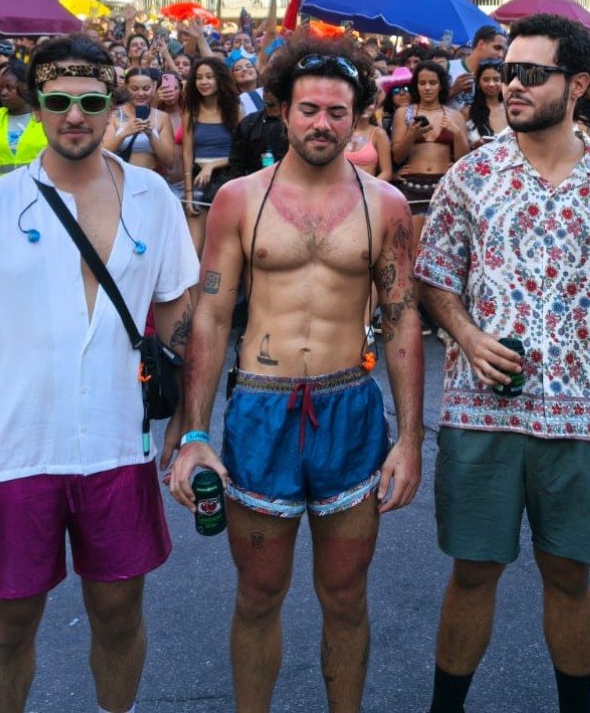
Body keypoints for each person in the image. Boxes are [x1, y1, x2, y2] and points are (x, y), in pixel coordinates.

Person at [0, 35, 199, 713]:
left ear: (112, 106)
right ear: (36, 106)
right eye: (59, 101)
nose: (75, 116)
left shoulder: (151, 197)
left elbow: (179, 314)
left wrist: (190, 423)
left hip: (118, 446)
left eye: (92, 102)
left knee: (119, 615)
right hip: (16, 451)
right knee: (8, 626)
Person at [170, 43, 422, 713]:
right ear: (282, 111)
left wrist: (411, 440)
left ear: (357, 118)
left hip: (349, 409)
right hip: (261, 409)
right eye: (309, 109)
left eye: (338, 112)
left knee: (346, 596)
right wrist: (194, 434)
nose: (322, 123)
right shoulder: (238, 199)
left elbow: (402, 319)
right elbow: (210, 316)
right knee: (257, 595)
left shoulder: (386, 205)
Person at [414, 14, 590, 713]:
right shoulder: (472, 175)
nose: (509, 85)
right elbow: (435, 276)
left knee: (571, 577)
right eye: (505, 72)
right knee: (472, 573)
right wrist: (465, 335)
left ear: (578, 84)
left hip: (587, 418)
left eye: (530, 73)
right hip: (482, 411)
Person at [391, 60, 468, 227]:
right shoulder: (404, 113)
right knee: (412, 239)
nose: (427, 88)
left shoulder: (455, 116)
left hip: (445, 185)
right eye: (422, 83)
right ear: (416, 86)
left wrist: (457, 134)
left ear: (441, 85)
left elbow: (463, 161)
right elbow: (397, 157)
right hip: (412, 186)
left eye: (433, 83)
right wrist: (411, 135)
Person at [180, 56, 239, 256]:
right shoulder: (191, 111)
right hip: (198, 179)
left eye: (209, 77)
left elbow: (241, 153)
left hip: (227, 178)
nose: (203, 82)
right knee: (194, 249)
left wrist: (211, 166)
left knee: (221, 247)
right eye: (198, 78)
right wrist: (188, 194)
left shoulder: (235, 109)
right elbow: (187, 152)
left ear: (219, 79)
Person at [0, 61, 45, 190]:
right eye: (1, 88)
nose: (3, 93)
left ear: (26, 87)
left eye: (9, 88)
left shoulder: (45, 117)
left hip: (37, 192)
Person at [103, 68, 178, 176]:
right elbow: (102, 152)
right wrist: (125, 133)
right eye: (134, 89)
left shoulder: (161, 117)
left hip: (151, 178)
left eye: (146, 88)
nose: (141, 93)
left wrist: (150, 134)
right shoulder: (115, 114)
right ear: (126, 88)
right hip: (120, 178)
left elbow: (169, 161)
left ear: (153, 88)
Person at [464, 59, 507, 149]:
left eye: (496, 79)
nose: (491, 84)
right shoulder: (467, 112)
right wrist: (473, 147)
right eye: (486, 80)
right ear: (478, 82)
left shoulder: (511, 110)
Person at [349, 96, 393, 179]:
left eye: (370, 103)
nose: (365, 106)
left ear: (375, 107)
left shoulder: (379, 134)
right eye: (361, 102)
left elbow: (387, 173)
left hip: (367, 185)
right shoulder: (342, 131)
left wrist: (368, 186)